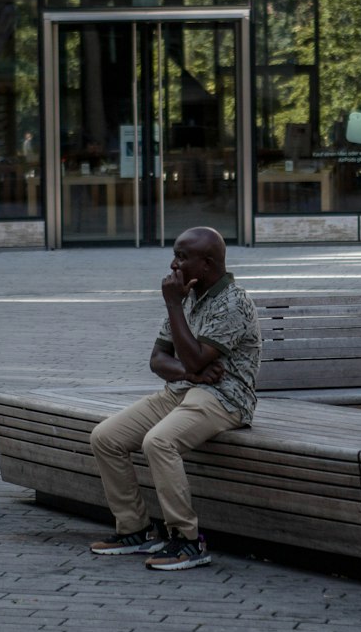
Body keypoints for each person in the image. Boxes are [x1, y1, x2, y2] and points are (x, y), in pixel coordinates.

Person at [88, 226, 260, 571]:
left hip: (225, 399)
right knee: (105, 437)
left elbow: (194, 357)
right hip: (181, 392)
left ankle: (187, 540)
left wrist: (172, 307)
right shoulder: (188, 297)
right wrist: (189, 373)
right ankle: (135, 529)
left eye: (182, 257)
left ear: (207, 263)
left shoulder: (233, 302)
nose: (173, 264)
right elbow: (158, 360)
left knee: (159, 442)